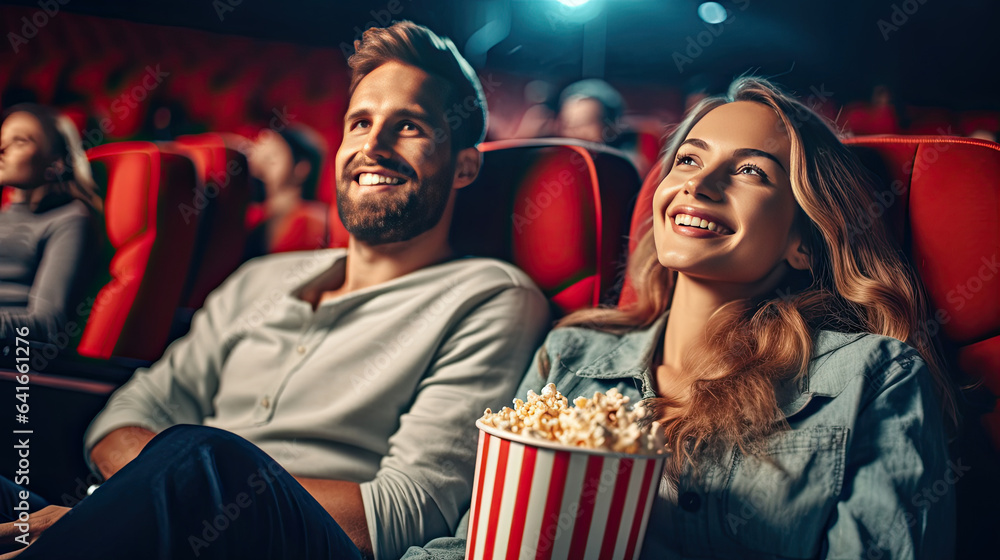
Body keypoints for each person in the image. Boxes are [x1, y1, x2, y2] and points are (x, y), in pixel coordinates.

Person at [0, 21, 549, 560]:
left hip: (295, 543)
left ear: (465, 166)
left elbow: (402, 512)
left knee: (202, 454)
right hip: (153, 519)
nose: (373, 146)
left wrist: (180, 491)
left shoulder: (492, 299)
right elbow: (124, 414)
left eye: (410, 127)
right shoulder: (258, 279)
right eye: (359, 123)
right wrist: (143, 505)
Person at [404, 77, 955, 559]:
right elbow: (477, 540)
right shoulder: (571, 354)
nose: (699, 183)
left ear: (802, 243)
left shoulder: (873, 375)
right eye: (688, 159)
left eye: (749, 171)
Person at [0, 103, 103, 354]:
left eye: (20, 141)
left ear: (54, 163)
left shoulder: (69, 219)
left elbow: (47, 324)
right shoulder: (4, 215)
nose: (2, 149)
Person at [244, 125, 330, 257]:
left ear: (301, 169)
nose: (259, 168)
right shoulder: (252, 216)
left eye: (270, 159)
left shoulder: (312, 221)